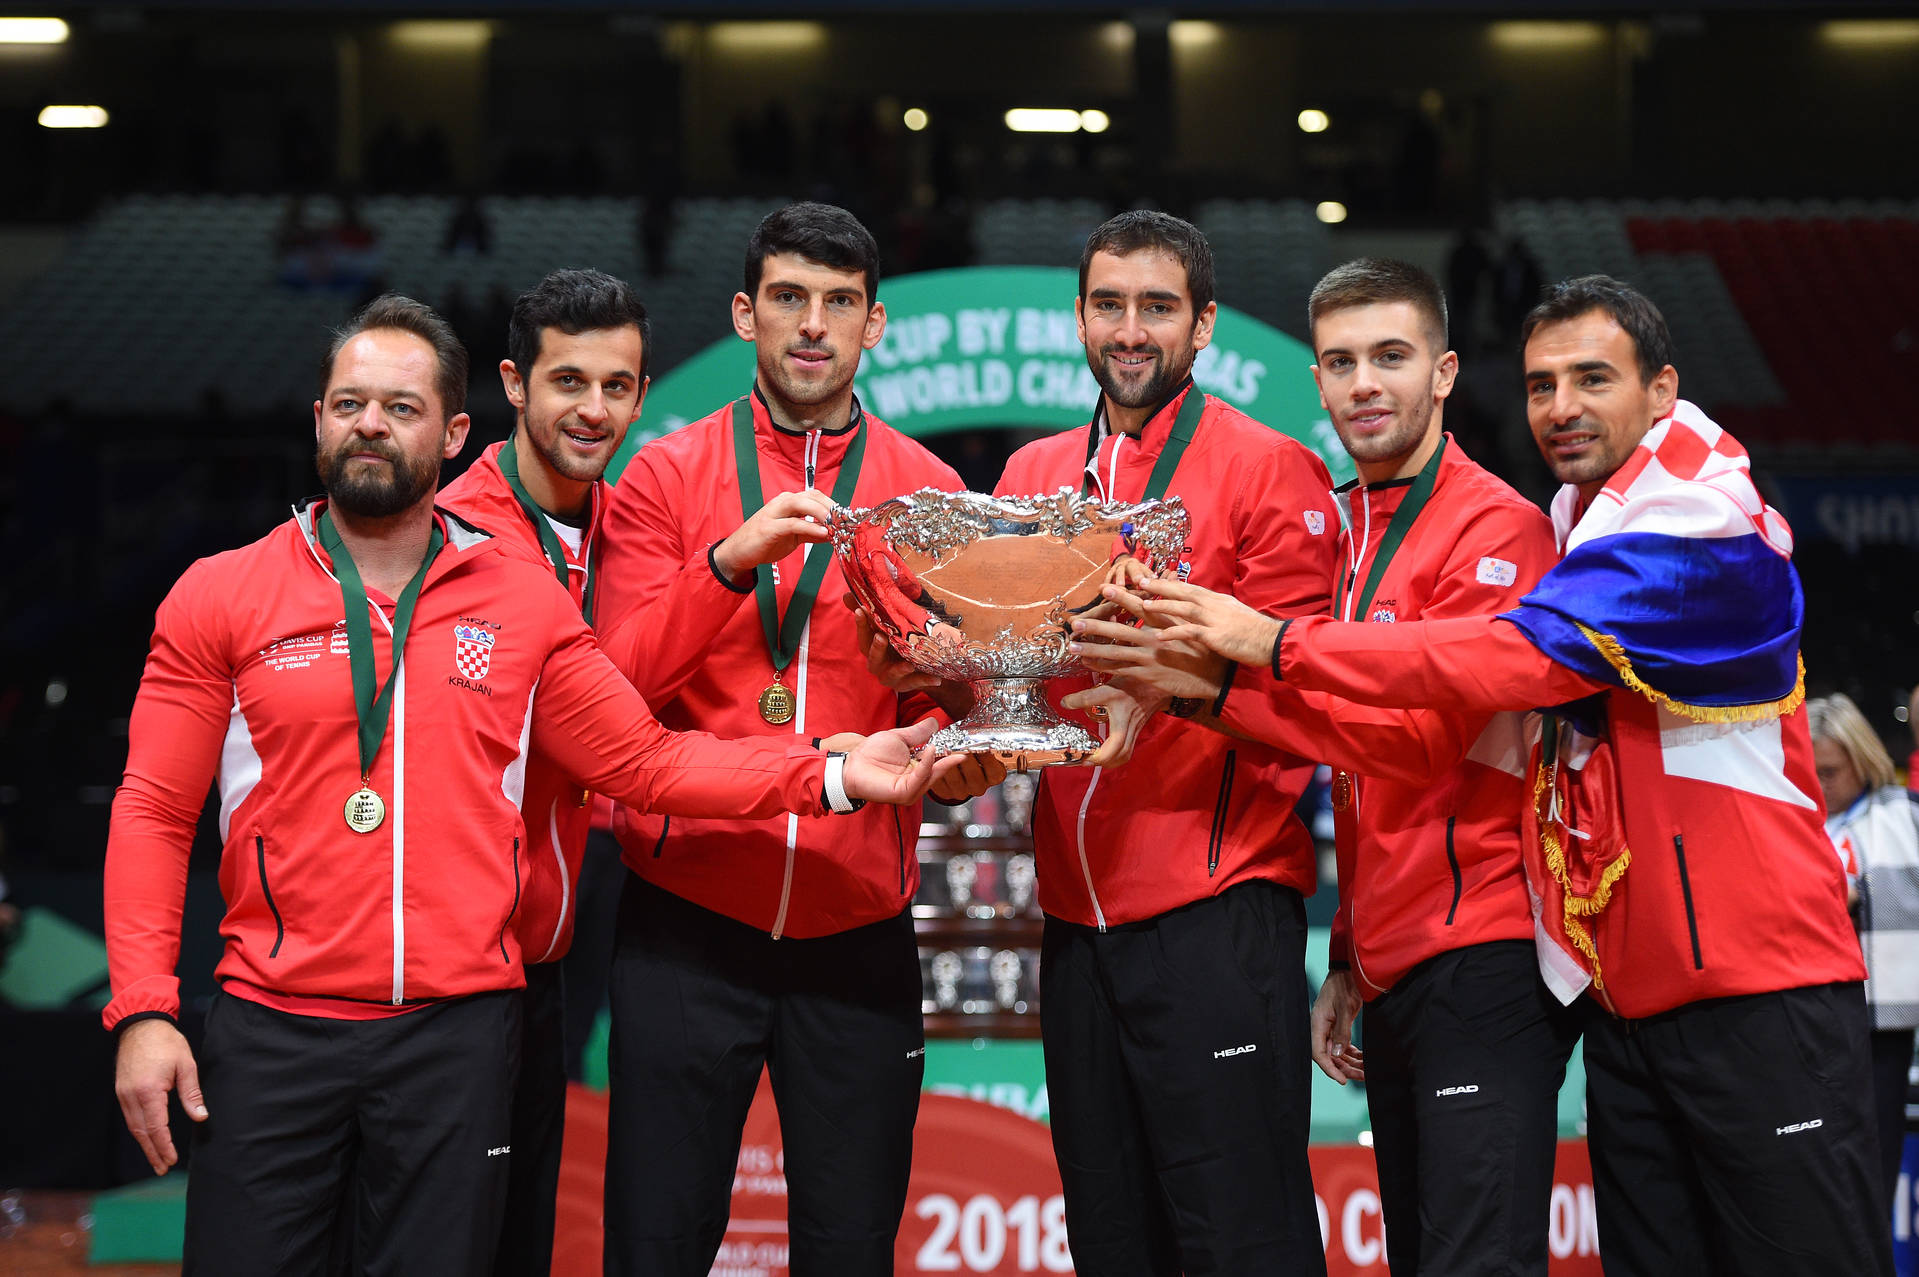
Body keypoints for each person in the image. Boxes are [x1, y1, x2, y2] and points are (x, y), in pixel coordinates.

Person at [103, 294, 951, 1277]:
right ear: (318, 417)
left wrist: (834, 772)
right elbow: (154, 809)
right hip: (270, 1030)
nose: (371, 423)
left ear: (454, 429)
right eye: (349, 402)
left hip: (456, 1033)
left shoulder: (516, 599)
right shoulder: (221, 593)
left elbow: (643, 761)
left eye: (401, 406)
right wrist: (143, 1008)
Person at [1137, 275, 1889, 1276]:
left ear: (1660, 390)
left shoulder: (1694, 523)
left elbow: (1502, 665)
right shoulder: (1579, 515)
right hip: (1628, 1002)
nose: (1561, 407)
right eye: (1540, 384)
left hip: (1757, 989)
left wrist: (1271, 645)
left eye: (1591, 379)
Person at [1074, 258, 1579, 1275]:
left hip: (1481, 954)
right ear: (1315, 381)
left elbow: (1419, 737)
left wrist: (1214, 682)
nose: (1364, 385)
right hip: (1394, 959)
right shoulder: (1345, 525)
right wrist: (1348, 945)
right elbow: (1359, 776)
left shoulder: (1498, 528)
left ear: (1441, 374)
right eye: (1341, 362)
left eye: (1389, 358)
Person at [886, 210, 1340, 1275]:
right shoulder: (1036, 469)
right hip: (1074, 927)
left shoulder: (1268, 467)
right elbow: (1011, 674)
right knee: (1112, 1237)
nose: (1129, 330)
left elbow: (1307, 706)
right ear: (1079, 317)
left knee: (1241, 1238)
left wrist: (1173, 692)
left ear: (1204, 323)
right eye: (1108, 305)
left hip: (1215, 914)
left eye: (1156, 306)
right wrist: (934, 667)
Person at [590, 203, 965, 1277]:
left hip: (857, 925)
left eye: (837, 302)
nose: (813, 325)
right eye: (790, 299)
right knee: (656, 1244)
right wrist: (724, 564)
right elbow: (614, 693)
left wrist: (950, 743)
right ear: (746, 315)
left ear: (874, 324)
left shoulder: (927, 492)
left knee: (850, 1249)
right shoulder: (662, 478)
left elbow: (948, 698)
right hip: (687, 917)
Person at [436, 268, 648, 1275]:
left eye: (615, 385)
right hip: (452, 968)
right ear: (514, 383)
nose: (592, 408)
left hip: (548, 945)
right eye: (569, 381)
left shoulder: (626, 524)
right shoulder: (454, 537)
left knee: (521, 1230)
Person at [1810, 691, 1919, 1212]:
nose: (1821, 785)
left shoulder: (1903, 815)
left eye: (1830, 771)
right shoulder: (1797, 821)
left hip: (1884, 1026)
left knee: (1869, 1179)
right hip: (1813, 1023)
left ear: (1863, 758)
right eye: (1812, 772)